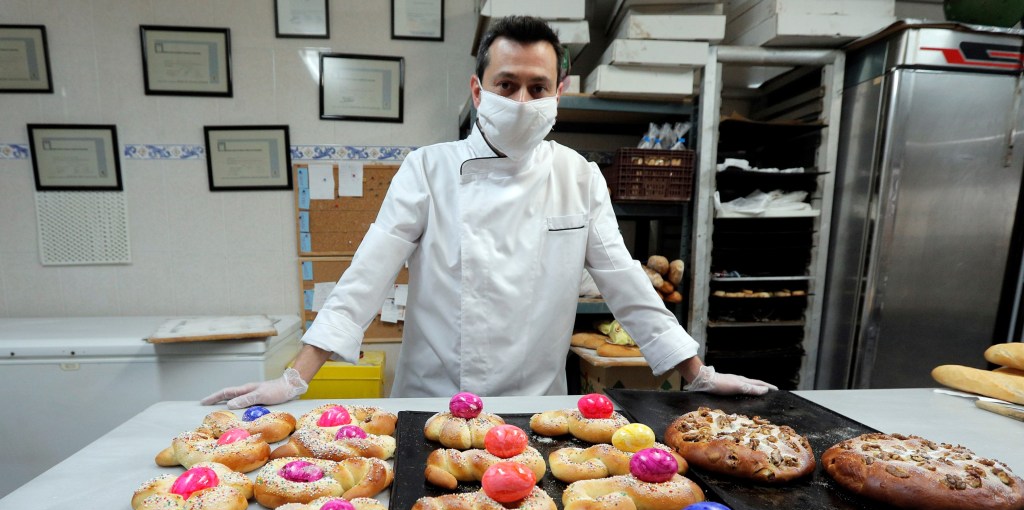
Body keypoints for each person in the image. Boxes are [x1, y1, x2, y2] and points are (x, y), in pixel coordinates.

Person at [202, 15, 776, 409]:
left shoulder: (578, 174)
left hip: (534, 406)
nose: (521, 102)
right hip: (432, 401)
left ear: (560, 92)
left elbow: (626, 282)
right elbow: (367, 276)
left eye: (537, 86)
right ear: (479, 92)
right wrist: (295, 377)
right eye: (507, 85)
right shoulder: (428, 168)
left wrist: (696, 373)